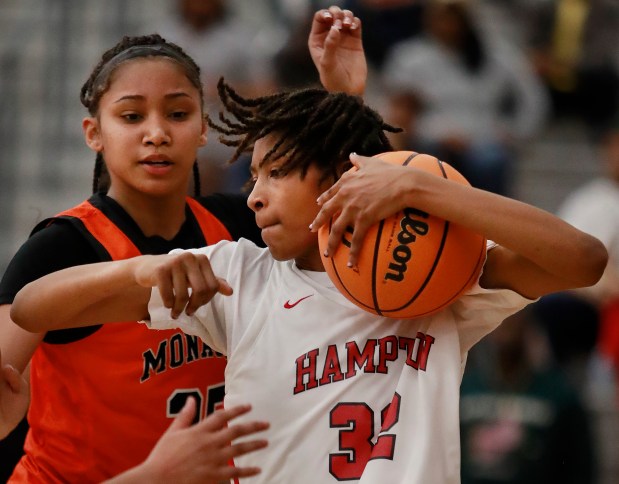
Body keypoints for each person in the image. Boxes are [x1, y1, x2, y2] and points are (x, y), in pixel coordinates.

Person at [11, 77, 607, 482]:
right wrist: (145, 266)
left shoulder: (437, 281)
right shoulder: (240, 276)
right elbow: (34, 307)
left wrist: (423, 187)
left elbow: (585, 259)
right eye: (253, 174)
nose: (253, 193)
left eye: (275, 173)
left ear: (340, 179)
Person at [0, 6, 365, 482]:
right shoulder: (60, 248)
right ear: (95, 133)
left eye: (177, 113)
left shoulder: (241, 227)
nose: (156, 133)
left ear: (202, 130)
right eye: (131, 116)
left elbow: (341, 206)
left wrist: (346, 96)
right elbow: (5, 392)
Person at [380, 0, 548, 195]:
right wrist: (433, 133)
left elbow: (532, 96)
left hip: (484, 140)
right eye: (441, 18)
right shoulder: (410, 57)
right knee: (429, 164)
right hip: (432, 140)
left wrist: (515, 132)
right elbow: (398, 109)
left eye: (453, 19)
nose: (447, 25)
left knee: (492, 163)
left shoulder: (495, 55)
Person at [459, 307, 597, 484]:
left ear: (529, 323)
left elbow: (581, 469)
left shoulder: (559, 394)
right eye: (500, 317)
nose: (505, 325)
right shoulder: (464, 388)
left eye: (513, 316)